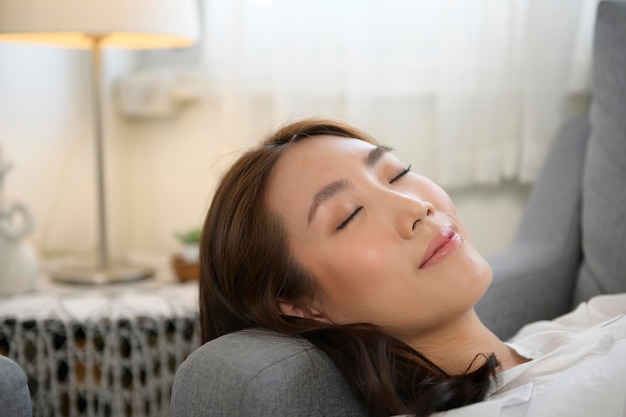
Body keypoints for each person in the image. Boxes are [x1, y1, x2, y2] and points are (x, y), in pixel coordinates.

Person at [198, 118, 626, 417]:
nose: (416, 207)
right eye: (348, 215)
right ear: (301, 305)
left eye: (398, 173)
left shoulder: (583, 322)